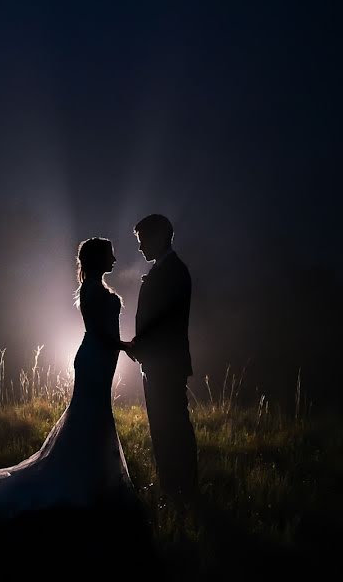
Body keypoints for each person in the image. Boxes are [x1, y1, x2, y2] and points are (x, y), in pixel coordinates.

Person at [0, 237, 135, 517]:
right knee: (92, 414)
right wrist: (125, 346)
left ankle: (96, 478)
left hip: (100, 359)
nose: (114, 260)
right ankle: (91, 481)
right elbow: (101, 333)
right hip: (95, 359)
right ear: (97, 259)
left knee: (96, 415)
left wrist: (121, 347)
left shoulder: (94, 289)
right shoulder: (93, 291)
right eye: (110, 255)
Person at [127, 214, 198, 500]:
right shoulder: (167, 270)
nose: (141, 247)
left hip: (165, 363)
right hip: (158, 362)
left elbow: (164, 321)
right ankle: (172, 484)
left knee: (173, 425)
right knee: (162, 424)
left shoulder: (174, 272)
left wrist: (140, 345)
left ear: (159, 237)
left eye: (143, 240)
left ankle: (182, 487)